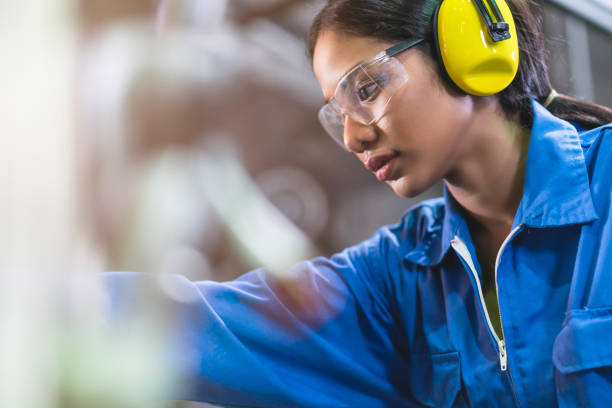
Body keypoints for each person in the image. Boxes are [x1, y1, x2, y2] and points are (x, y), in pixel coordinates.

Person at [105, 0, 612, 406]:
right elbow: (207, 324)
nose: (351, 138)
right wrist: (44, 301)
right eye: (337, 113)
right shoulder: (400, 276)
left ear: (468, 45)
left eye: (366, 89)